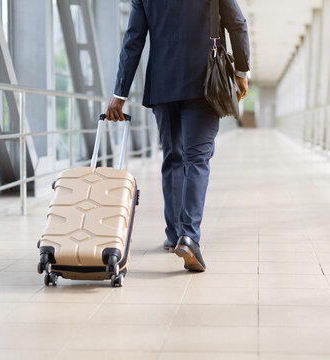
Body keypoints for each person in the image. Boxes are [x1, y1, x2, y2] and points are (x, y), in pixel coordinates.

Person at [106, 0, 250, 272]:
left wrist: (119, 94)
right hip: (205, 82)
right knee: (196, 159)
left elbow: (133, 41)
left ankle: (174, 236)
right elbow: (237, 24)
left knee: (173, 158)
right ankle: (189, 236)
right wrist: (241, 72)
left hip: (163, 85)